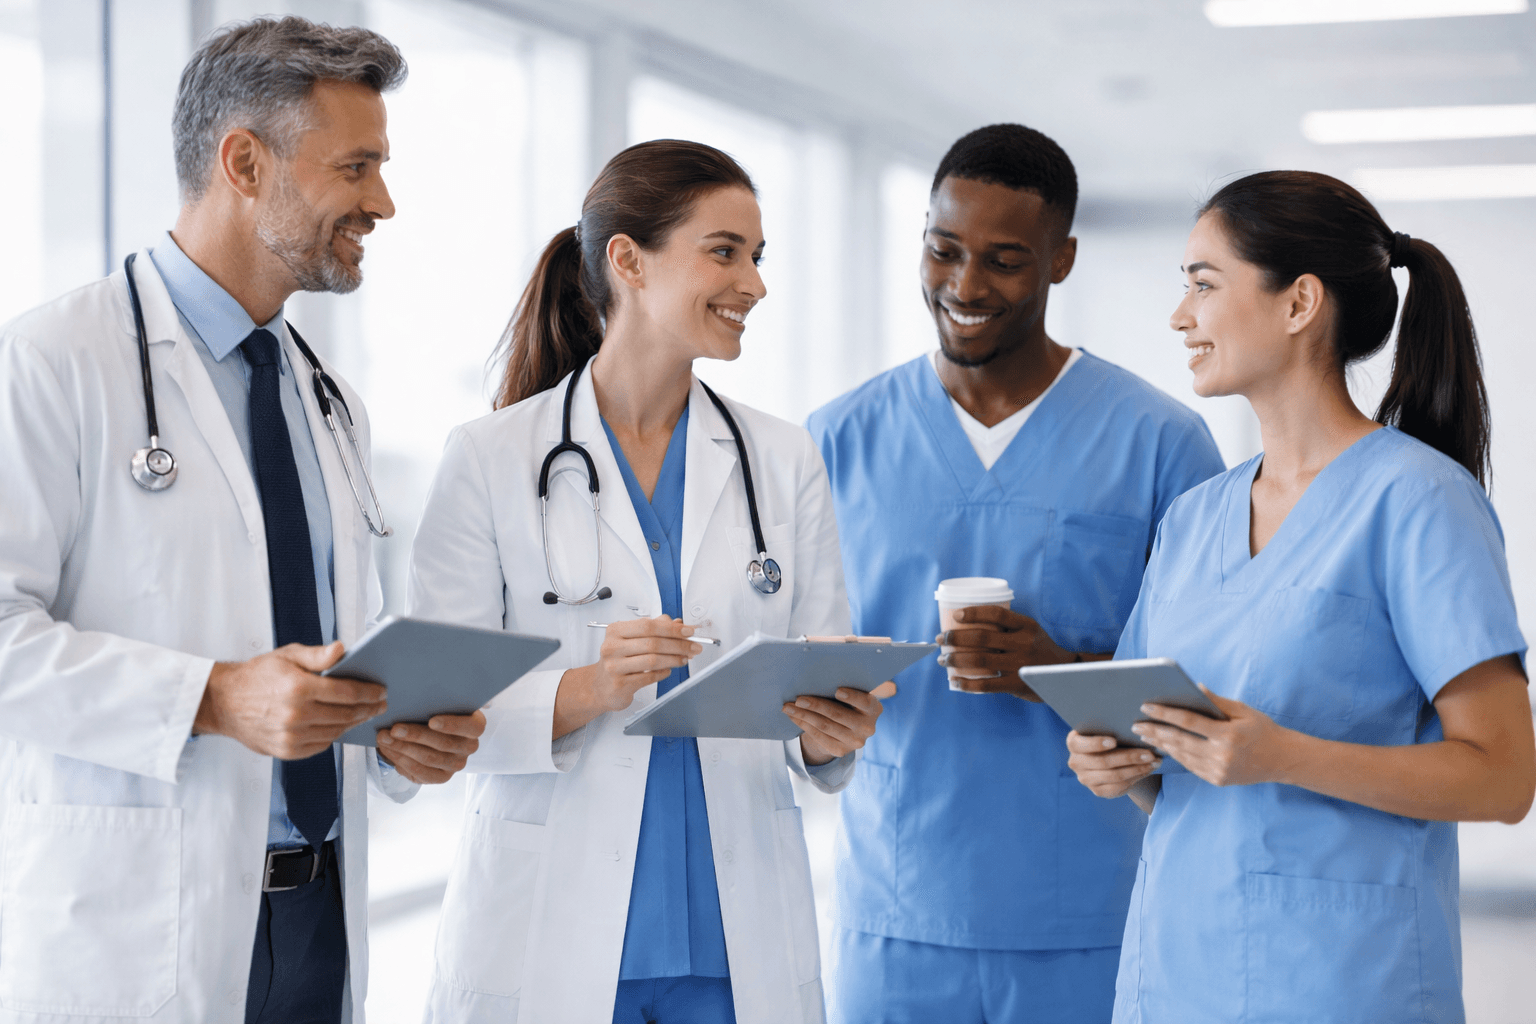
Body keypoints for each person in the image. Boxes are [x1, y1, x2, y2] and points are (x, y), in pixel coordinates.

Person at [0, 18, 485, 1023]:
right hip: (138, 920)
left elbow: (321, 651)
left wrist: (397, 735)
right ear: (245, 162)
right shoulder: (50, 362)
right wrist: (214, 698)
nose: (382, 203)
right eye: (356, 167)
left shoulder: (325, 398)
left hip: (319, 915)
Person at [407, 139, 887, 1024]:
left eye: (758, 256)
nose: (754, 283)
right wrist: (587, 688)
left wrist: (833, 731)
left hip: (735, 938)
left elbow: (821, 672)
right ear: (627, 260)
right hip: (549, 919)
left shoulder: (781, 457)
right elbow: (430, 714)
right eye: (724, 251)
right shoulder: (490, 457)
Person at [1066, 170, 1535, 1023]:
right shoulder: (1194, 517)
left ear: (1298, 303)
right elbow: (1184, 763)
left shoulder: (1418, 502)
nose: (1180, 317)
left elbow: (1504, 777)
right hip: (1175, 974)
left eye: (1203, 285)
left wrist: (1281, 755)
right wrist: (1127, 764)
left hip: (1342, 984)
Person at [805, 124, 1226, 1024]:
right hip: (896, 910)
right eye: (943, 250)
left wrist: (1059, 670)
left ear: (1060, 259)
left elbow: (1209, 683)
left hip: (1090, 911)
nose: (965, 287)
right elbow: (800, 675)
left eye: (1003, 260)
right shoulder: (835, 440)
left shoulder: (1160, 443)